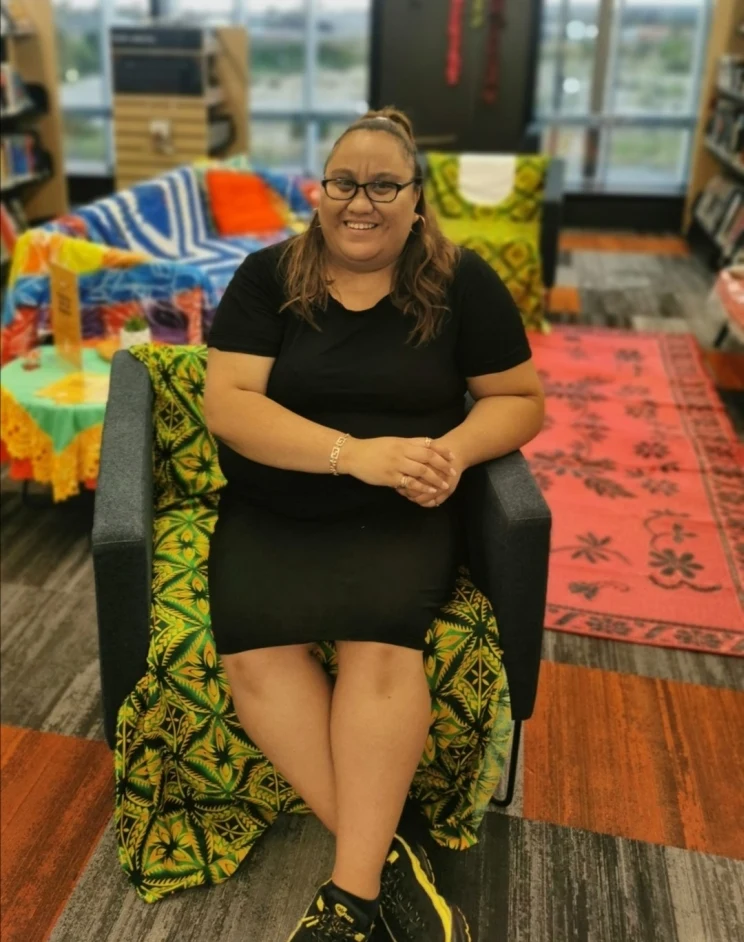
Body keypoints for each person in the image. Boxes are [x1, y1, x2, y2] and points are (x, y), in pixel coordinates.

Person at [204, 107, 544, 942]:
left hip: (403, 508)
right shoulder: (267, 276)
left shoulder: (462, 281)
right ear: (318, 194)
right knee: (254, 655)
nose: (362, 202)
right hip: (278, 498)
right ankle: (392, 856)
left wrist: (452, 454)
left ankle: (350, 900)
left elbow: (520, 400)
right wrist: (352, 453)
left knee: (379, 647)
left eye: (384, 184)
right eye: (344, 183)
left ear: (416, 199)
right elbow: (229, 406)